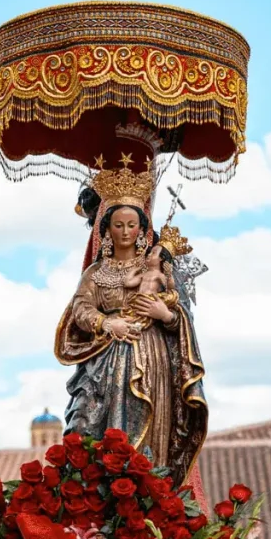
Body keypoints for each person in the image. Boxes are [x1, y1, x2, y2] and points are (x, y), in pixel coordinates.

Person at [56, 163, 208, 492]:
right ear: (106, 229)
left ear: (141, 229)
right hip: (106, 363)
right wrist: (106, 321)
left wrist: (163, 314)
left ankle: (147, 496)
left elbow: (179, 314)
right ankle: (105, 498)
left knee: (152, 434)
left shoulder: (157, 267)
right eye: (118, 225)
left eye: (132, 225)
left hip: (152, 359)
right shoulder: (96, 273)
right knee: (99, 429)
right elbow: (80, 309)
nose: (125, 232)